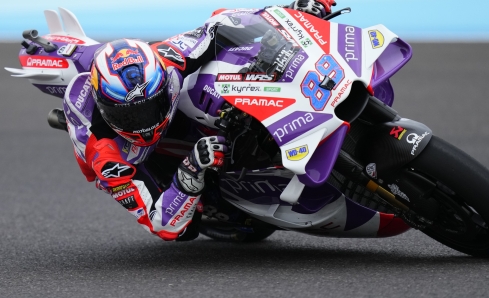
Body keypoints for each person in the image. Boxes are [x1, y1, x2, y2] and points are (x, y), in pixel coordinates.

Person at [63, 0, 337, 241]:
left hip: (155, 90)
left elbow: (221, 23)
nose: (143, 123)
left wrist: (292, 14)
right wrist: (190, 170)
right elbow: (163, 225)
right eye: (129, 115)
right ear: (105, 106)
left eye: (151, 107)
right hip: (130, 155)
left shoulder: (169, 59)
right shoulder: (106, 157)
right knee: (186, 229)